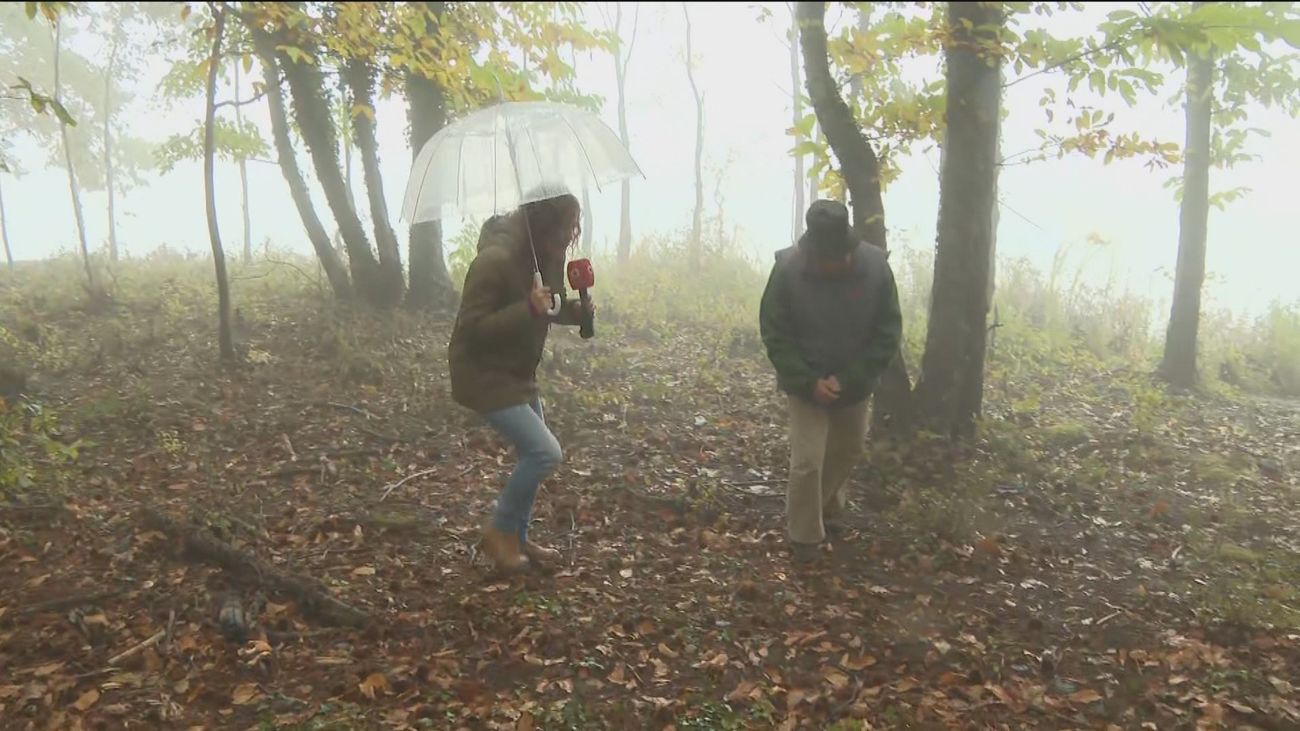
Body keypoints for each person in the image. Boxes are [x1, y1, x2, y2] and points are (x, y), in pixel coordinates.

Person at [447, 190, 592, 574]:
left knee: (536, 456)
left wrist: (573, 311)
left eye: (571, 229)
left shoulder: (547, 254)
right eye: (562, 229)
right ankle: (499, 530)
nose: (567, 238)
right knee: (545, 452)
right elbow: (472, 330)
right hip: (482, 373)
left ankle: (519, 539)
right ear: (542, 224)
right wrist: (527, 308)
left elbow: (550, 303)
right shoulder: (493, 262)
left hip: (517, 372)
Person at [759, 199, 903, 565]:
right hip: (805, 382)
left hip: (853, 382)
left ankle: (826, 508)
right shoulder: (788, 269)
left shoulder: (876, 269)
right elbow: (775, 332)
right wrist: (808, 381)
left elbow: (887, 333)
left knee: (848, 449)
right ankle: (804, 537)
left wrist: (852, 378)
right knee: (808, 461)